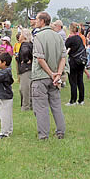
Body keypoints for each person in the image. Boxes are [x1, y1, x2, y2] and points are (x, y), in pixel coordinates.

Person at [31, 11, 67, 140]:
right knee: (56, 105)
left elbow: (40, 58)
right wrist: (57, 74)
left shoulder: (38, 37)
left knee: (41, 107)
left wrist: (51, 73)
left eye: (36, 19)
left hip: (41, 77)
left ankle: (43, 135)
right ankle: (60, 131)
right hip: (55, 77)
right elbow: (63, 57)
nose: (35, 21)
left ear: (42, 21)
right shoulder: (58, 36)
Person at [65, 22, 86, 106]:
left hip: (73, 61)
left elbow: (64, 47)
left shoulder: (71, 39)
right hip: (81, 61)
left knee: (73, 81)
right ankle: (81, 100)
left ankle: (72, 100)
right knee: (80, 80)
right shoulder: (79, 38)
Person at [16, 29, 33, 111]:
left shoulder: (25, 44)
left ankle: (26, 107)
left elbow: (25, 52)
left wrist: (25, 60)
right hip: (29, 68)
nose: (19, 35)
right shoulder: (30, 44)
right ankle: (30, 105)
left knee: (24, 89)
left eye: (21, 34)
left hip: (26, 68)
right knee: (27, 88)